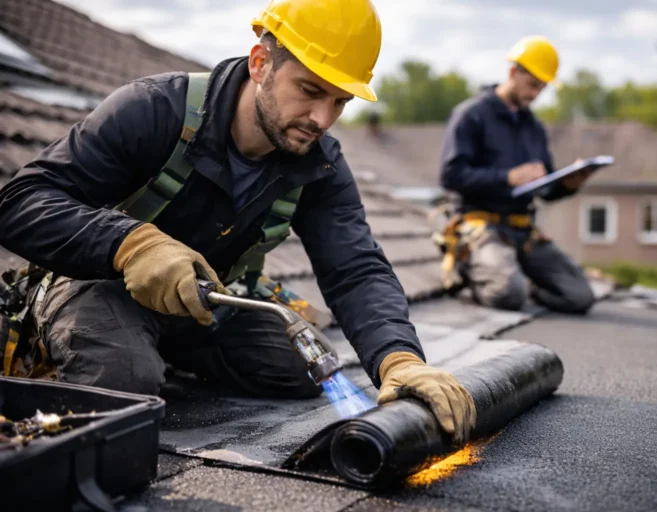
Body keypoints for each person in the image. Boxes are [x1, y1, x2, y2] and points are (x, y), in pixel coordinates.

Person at [0, 0, 475, 443]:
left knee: (305, 370)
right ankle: (121, 353)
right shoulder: (154, 109)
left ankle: (162, 349)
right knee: (124, 382)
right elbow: (20, 201)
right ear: (260, 63)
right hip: (101, 283)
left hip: (206, 302)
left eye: (340, 102)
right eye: (310, 90)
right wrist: (130, 244)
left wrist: (399, 359)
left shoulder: (319, 163)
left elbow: (355, 268)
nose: (322, 118)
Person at [438, 35, 596, 314]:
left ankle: (517, 279)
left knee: (579, 296)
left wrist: (568, 184)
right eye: (532, 85)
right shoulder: (471, 115)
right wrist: (507, 178)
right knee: (508, 294)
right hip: (482, 229)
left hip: (523, 232)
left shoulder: (533, 127)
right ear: (513, 72)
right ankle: (475, 272)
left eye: (542, 88)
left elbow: (544, 189)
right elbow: (451, 176)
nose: (535, 94)